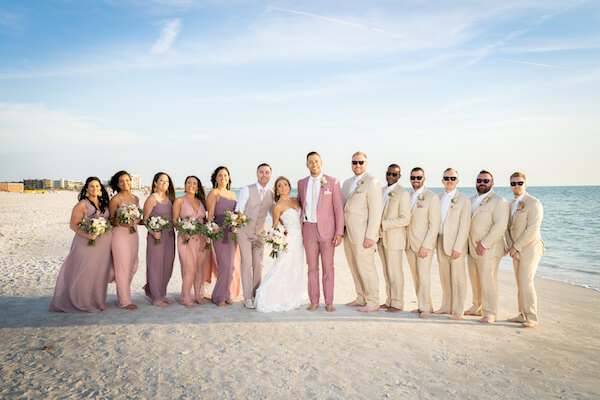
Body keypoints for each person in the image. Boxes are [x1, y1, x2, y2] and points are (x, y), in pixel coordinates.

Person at [49, 177, 112, 313]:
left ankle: (99, 301)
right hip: (86, 243)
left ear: (100, 187)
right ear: (86, 189)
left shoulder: (104, 203)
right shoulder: (82, 205)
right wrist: (89, 235)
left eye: (97, 186)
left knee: (99, 273)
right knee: (85, 273)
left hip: (103, 244)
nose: (94, 189)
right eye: (91, 186)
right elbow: (73, 225)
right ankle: (83, 303)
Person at [297, 152, 344, 312]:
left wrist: (339, 232)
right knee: (312, 268)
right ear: (307, 165)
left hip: (328, 232)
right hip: (308, 230)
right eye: (310, 162)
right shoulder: (302, 183)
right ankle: (314, 301)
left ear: (321, 163)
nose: (314, 164)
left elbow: (338, 209)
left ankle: (329, 301)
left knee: (328, 267)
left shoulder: (332, 182)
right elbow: (299, 204)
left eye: (316, 161)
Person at [254, 177, 306, 312]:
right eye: (279, 186)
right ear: (276, 190)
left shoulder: (296, 200)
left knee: (297, 267)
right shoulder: (277, 206)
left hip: (300, 239)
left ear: (289, 186)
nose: (283, 188)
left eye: (285, 185)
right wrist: (277, 242)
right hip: (289, 240)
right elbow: (274, 227)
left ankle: (294, 295)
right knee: (284, 266)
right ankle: (271, 296)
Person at [341, 151, 383, 312]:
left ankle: (373, 301)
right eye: (354, 162)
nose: (357, 165)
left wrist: (371, 236)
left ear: (366, 163)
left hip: (363, 234)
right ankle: (360, 297)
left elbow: (376, 211)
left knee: (366, 268)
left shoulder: (372, 182)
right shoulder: (346, 183)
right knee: (354, 266)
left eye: (360, 162)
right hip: (348, 233)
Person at [466, 170, 509, 324]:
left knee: (488, 281)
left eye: (485, 180)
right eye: (479, 180)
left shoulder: (499, 201)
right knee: (475, 280)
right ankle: (476, 307)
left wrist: (484, 244)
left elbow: (500, 225)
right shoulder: (470, 200)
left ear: (492, 183)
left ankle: (490, 312)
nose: (482, 183)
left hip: (489, 250)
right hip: (471, 249)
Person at [505, 172, 544, 328]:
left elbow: (532, 229)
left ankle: (531, 317)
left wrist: (516, 247)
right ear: (510, 186)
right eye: (513, 183)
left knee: (526, 282)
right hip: (515, 250)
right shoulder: (509, 205)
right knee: (520, 283)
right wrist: (511, 247)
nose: (516, 186)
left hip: (531, 249)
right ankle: (522, 314)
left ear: (525, 184)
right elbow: (506, 228)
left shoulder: (534, 203)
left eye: (519, 183)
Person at [172, 176, 217, 307]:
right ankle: (185, 297)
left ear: (198, 187)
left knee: (199, 269)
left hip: (202, 239)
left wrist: (209, 232)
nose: (191, 185)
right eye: (189, 183)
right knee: (189, 268)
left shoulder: (201, 202)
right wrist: (183, 229)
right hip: (186, 239)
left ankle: (197, 295)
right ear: (185, 185)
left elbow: (206, 220)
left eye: (194, 183)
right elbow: (174, 220)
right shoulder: (179, 201)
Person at [235, 163, 275, 309]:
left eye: (267, 172)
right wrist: (236, 225)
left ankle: (256, 294)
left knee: (258, 265)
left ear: (270, 175)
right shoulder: (247, 189)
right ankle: (247, 298)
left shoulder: (271, 193)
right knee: (247, 263)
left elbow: (273, 213)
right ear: (257, 174)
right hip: (244, 232)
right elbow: (238, 210)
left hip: (259, 234)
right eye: (261, 172)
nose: (264, 175)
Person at [434, 168, 470, 320]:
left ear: (457, 181)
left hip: (455, 243)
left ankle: (458, 310)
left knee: (458, 278)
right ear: (442, 180)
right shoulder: (438, 198)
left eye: (453, 178)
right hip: (440, 241)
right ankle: (446, 306)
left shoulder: (463, 200)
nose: (449, 181)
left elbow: (465, 226)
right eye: (447, 178)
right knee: (444, 276)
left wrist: (458, 247)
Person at [406, 167, 441, 318]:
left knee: (423, 276)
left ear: (424, 179)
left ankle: (426, 307)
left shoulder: (432, 197)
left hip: (423, 245)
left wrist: (426, 245)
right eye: (413, 177)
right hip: (409, 243)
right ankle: (423, 305)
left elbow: (434, 224)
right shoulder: (407, 196)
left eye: (418, 177)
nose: (416, 180)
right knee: (416, 276)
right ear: (410, 179)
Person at [206, 166, 241, 307]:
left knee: (233, 265)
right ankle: (219, 296)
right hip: (219, 232)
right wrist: (210, 233)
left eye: (225, 175)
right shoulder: (214, 193)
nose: (223, 178)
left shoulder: (232, 194)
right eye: (220, 175)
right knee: (225, 264)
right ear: (215, 178)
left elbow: (237, 213)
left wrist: (237, 224)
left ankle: (227, 294)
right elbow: (210, 216)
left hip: (232, 232)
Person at [377, 164, 410, 313]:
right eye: (389, 173)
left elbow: (405, 219)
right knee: (387, 272)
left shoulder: (403, 193)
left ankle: (397, 303)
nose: (391, 176)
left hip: (394, 239)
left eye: (394, 174)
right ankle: (389, 299)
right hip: (381, 238)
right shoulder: (382, 191)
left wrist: (384, 224)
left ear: (399, 176)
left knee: (395, 272)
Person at [109, 170, 141, 310]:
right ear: (117, 183)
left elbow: (138, 218)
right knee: (122, 268)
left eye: (127, 180)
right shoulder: (115, 200)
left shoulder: (135, 199)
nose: (125, 183)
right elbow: (110, 220)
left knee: (133, 266)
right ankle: (124, 301)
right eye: (121, 181)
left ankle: (123, 295)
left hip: (134, 235)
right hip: (120, 235)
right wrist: (120, 222)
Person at [142, 172, 176, 307]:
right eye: (161, 181)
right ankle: (156, 298)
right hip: (156, 238)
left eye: (166, 181)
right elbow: (144, 220)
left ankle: (162, 294)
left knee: (167, 266)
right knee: (155, 266)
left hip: (169, 237)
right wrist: (152, 231)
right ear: (155, 183)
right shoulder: (152, 198)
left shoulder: (170, 199)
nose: (164, 183)